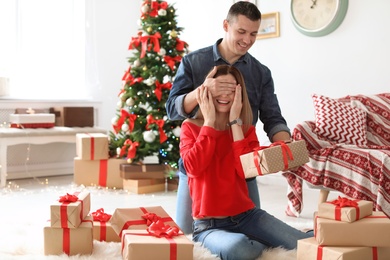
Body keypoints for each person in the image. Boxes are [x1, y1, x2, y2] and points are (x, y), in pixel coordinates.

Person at [166, 1, 291, 234]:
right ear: (226, 25)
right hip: (201, 169)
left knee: (254, 233)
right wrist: (202, 90)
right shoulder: (194, 62)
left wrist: (286, 147)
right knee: (186, 236)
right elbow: (172, 109)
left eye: (254, 34)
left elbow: (273, 118)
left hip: (239, 165)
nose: (247, 40)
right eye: (241, 32)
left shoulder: (260, 73)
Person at [180, 65, 312, 260]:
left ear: (239, 94)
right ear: (208, 91)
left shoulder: (246, 131)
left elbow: (245, 172)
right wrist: (209, 123)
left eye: (232, 90)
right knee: (240, 249)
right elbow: (193, 167)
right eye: (220, 88)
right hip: (209, 225)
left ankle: (262, 236)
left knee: (303, 243)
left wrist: (235, 124)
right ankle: (257, 240)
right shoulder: (190, 127)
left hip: (247, 216)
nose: (225, 95)